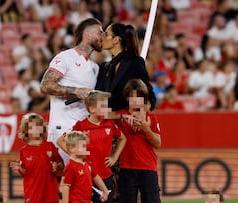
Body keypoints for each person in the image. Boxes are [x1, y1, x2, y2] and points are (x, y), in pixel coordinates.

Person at [40, 18, 103, 163]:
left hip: (84, 131)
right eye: (100, 32)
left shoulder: (95, 67)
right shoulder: (65, 57)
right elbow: (45, 85)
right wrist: (76, 91)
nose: (103, 37)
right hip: (63, 129)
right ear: (87, 34)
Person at [57, 90, 127, 203]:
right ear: (92, 108)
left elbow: (123, 138)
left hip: (106, 176)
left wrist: (114, 157)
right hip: (87, 178)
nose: (107, 109)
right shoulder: (81, 126)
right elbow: (60, 141)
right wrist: (77, 155)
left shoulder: (109, 124)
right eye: (103, 106)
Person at [115, 79, 161, 203]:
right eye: (132, 97)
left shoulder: (150, 117)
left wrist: (146, 129)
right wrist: (123, 116)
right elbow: (103, 114)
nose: (135, 101)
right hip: (127, 168)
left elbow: (158, 144)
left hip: (148, 168)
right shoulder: (120, 116)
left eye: (139, 98)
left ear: (144, 99)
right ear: (126, 98)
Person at [95, 22, 156, 111]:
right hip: (107, 120)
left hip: (126, 121)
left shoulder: (135, 62)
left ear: (116, 40)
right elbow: (98, 95)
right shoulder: (104, 67)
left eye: (106, 34)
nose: (102, 37)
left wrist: (145, 109)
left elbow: (147, 91)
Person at [10, 113, 64, 203]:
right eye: (31, 128)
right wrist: (19, 169)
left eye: (37, 127)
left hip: (50, 191)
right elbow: (25, 172)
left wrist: (57, 167)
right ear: (26, 131)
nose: (35, 130)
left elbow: (61, 165)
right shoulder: (24, 151)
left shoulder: (50, 146)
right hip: (32, 192)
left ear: (43, 129)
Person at [62, 130, 109, 203]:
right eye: (83, 146)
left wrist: (105, 191)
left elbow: (96, 177)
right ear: (71, 148)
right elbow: (66, 186)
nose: (86, 149)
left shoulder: (87, 163)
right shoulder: (71, 166)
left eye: (85, 146)